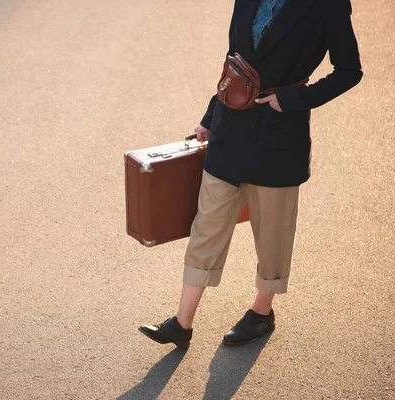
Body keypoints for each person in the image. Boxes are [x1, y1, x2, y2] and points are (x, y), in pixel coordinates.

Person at [139, 0, 363, 348]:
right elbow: (234, 59)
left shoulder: (327, 4)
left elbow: (349, 70)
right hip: (231, 128)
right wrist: (211, 115)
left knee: (272, 232)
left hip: (279, 136)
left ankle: (261, 312)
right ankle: (181, 324)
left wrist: (292, 100)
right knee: (207, 225)